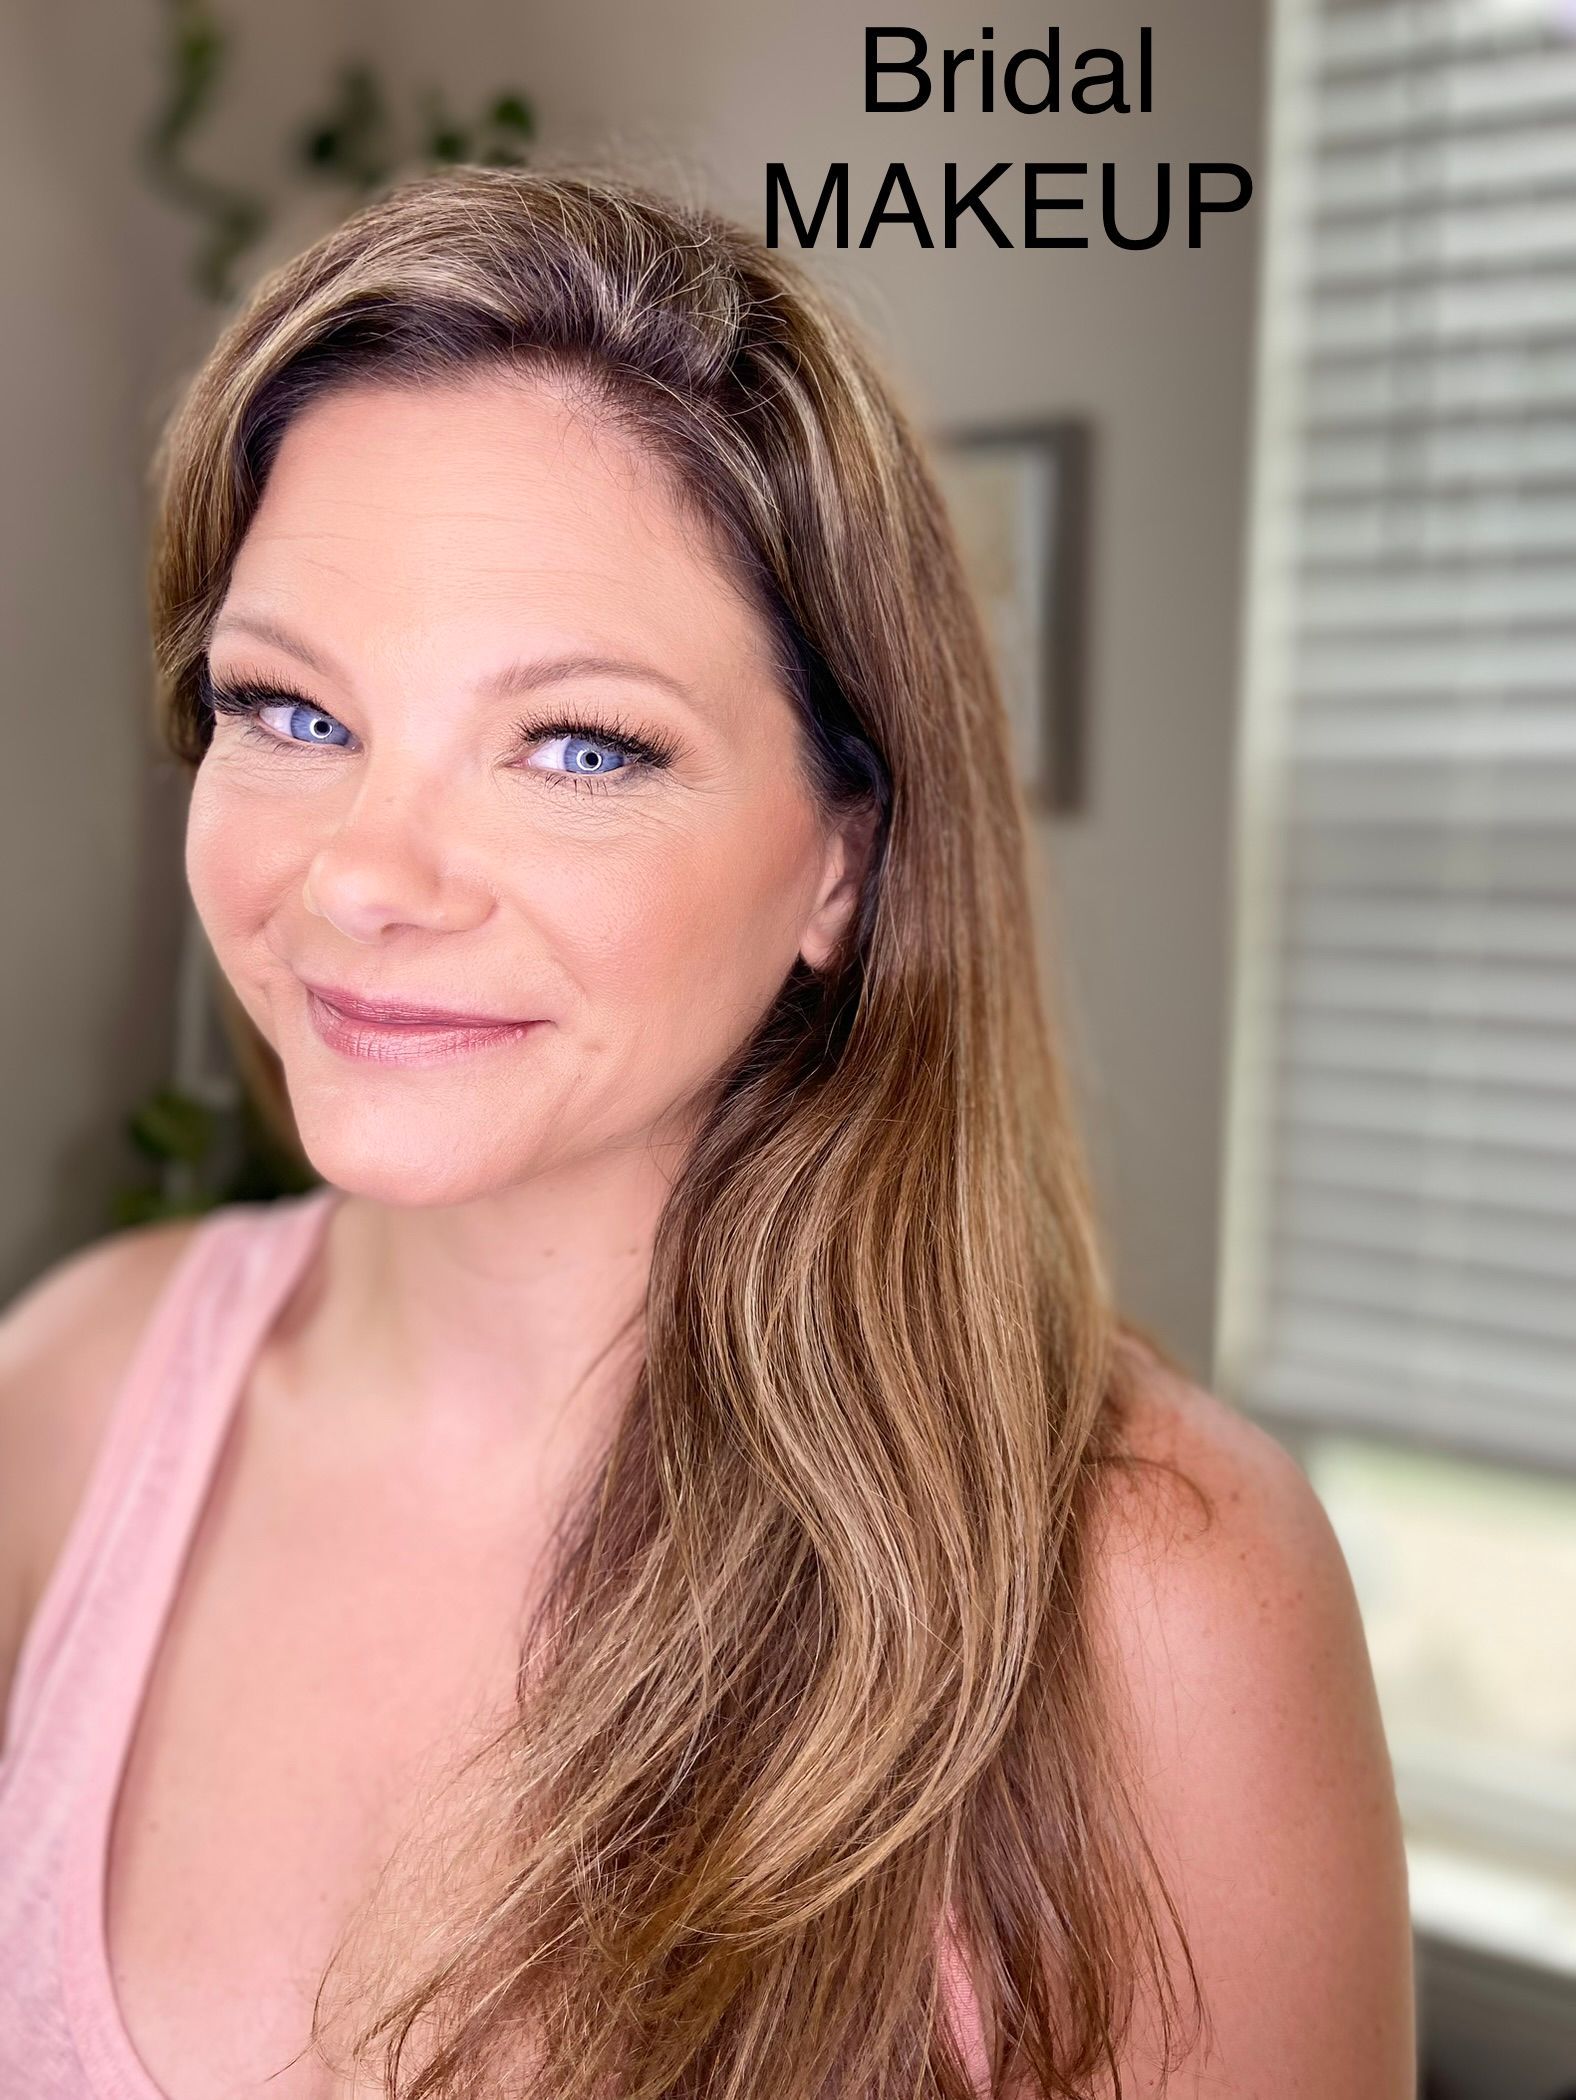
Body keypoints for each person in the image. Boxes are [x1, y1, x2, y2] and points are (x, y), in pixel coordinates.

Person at [0, 165, 1415, 2100]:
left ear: (842, 859)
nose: (366, 879)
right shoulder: (72, 1396)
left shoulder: (1155, 1598)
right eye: (291, 711)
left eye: (580, 745)